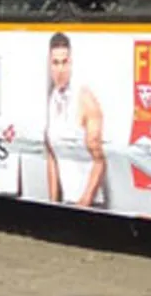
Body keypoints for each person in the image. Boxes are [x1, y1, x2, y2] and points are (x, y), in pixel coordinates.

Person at [44, 32, 106, 207]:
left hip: (90, 203)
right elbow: (52, 155)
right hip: (66, 203)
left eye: (64, 62)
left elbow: (99, 160)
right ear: (50, 65)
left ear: (71, 63)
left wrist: (84, 203)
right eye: (55, 63)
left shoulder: (85, 98)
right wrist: (53, 204)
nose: (60, 70)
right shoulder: (53, 98)